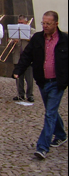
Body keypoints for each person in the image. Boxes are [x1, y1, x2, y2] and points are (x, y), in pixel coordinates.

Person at [13, 11, 68, 160]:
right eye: (43, 23)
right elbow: (27, 55)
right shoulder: (37, 38)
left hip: (57, 82)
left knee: (49, 114)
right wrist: (18, 70)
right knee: (52, 111)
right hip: (43, 82)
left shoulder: (64, 40)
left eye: (48, 23)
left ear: (56, 24)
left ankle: (42, 147)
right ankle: (61, 135)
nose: (45, 26)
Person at [12, 15, 36, 102]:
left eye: (21, 23)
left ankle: (30, 95)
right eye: (19, 22)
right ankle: (20, 94)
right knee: (18, 78)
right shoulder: (15, 30)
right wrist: (13, 41)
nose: (20, 24)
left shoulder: (32, 30)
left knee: (29, 78)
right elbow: (10, 40)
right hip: (17, 56)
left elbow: (34, 40)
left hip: (28, 58)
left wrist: (26, 36)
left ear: (26, 22)